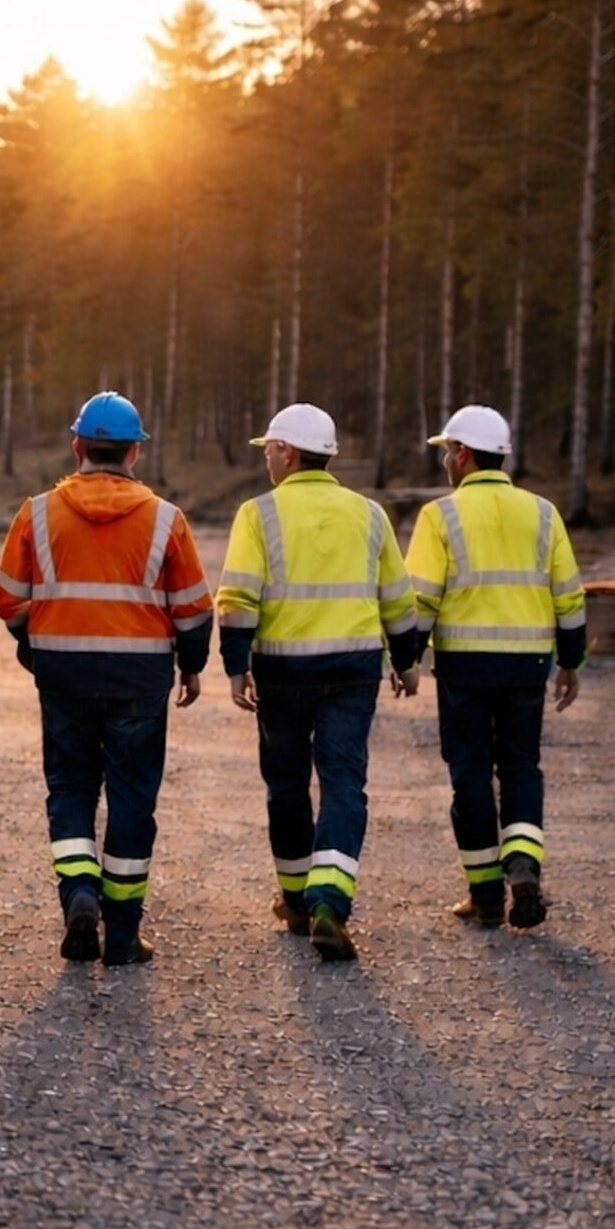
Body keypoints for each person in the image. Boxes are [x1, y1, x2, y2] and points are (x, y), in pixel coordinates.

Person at [0, 392, 211, 966]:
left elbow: (7, 598)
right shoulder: (166, 518)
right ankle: (122, 935)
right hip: (139, 678)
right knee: (133, 800)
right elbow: (193, 608)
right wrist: (192, 664)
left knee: (70, 790)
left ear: (77, 447)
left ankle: (79, 895)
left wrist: (33, 642)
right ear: (134, 452)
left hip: (63, 673)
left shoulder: (37, 513)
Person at [215, 403, 420, 963]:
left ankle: (297, 902)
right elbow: (398, 598)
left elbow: (237, 598)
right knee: (344, 782)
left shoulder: (258, 514)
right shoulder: (370, 514)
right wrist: (406, 661)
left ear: (286, 452)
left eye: (268, 451)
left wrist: (236, 665)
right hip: (353, 670)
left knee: (286, 784)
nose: (266, 461)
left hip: (283, 672)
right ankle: (329, 901)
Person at [402, 405, 589, 929]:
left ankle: (485, 896)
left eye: (447, 453)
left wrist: (407, 659)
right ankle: (523, 865)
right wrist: (570, 661)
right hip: (528, 665)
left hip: (465, 665)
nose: (445, 462)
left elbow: (421, 598)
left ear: (463, 455)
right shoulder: (544, 512)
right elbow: (570, 596)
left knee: (471, 774)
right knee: (521, 767)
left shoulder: (440, 515)